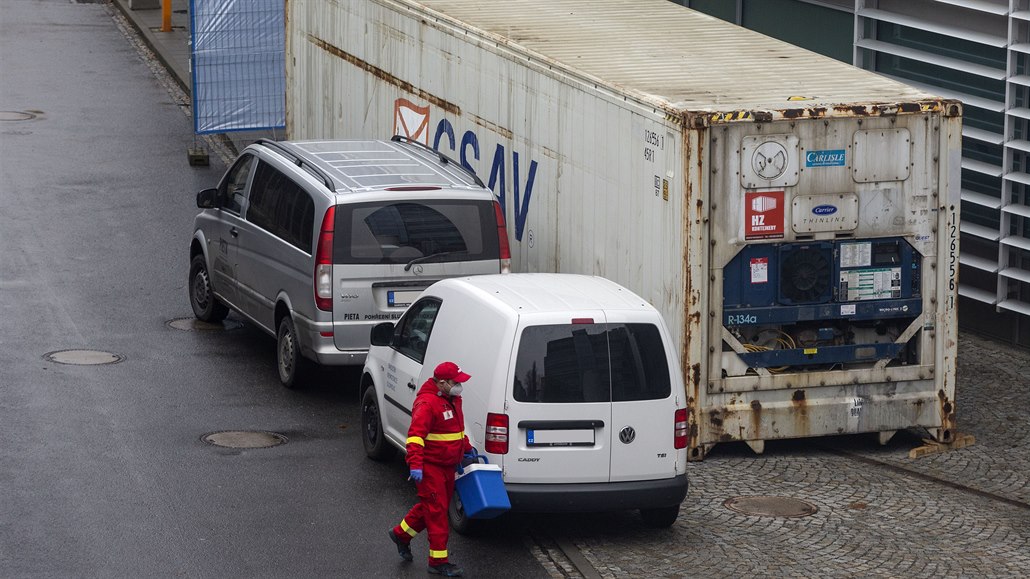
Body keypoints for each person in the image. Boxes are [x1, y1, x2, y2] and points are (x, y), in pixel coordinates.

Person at [388, 361, 477, 577]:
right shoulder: (427, 404)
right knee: (437, 512)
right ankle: (438, 562)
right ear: (442, 383)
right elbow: (416, 438)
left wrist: (466, 448)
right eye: (456, 382)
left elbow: (454, 431)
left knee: (432, 506)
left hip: (446, 466)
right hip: (431, 467)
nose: (459, 386)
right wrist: (416, 465)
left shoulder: (453, 400)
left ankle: (401, 534)